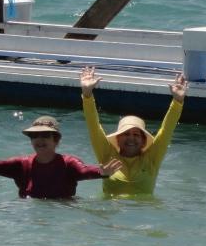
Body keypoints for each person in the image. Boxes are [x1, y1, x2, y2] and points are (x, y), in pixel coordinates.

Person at [0, 116, 122, 199]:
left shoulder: (68, 163)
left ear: (56, 140)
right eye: (34, 136)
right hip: (29, 212)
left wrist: (101, 172)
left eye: (45, 135)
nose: (39, 140)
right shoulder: (21, 165)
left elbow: (84, 171)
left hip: (62, 212)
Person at [79, 66, 188, 196]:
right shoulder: (107, 154)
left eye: (136, 134)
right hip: (111, 213)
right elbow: (93, 126)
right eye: (126, 134)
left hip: (146, 213)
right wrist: (87, 94)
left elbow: (166, 130)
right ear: (118, 138)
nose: (131, 138)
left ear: (143, 141)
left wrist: (177, 101)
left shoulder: (152, 158)